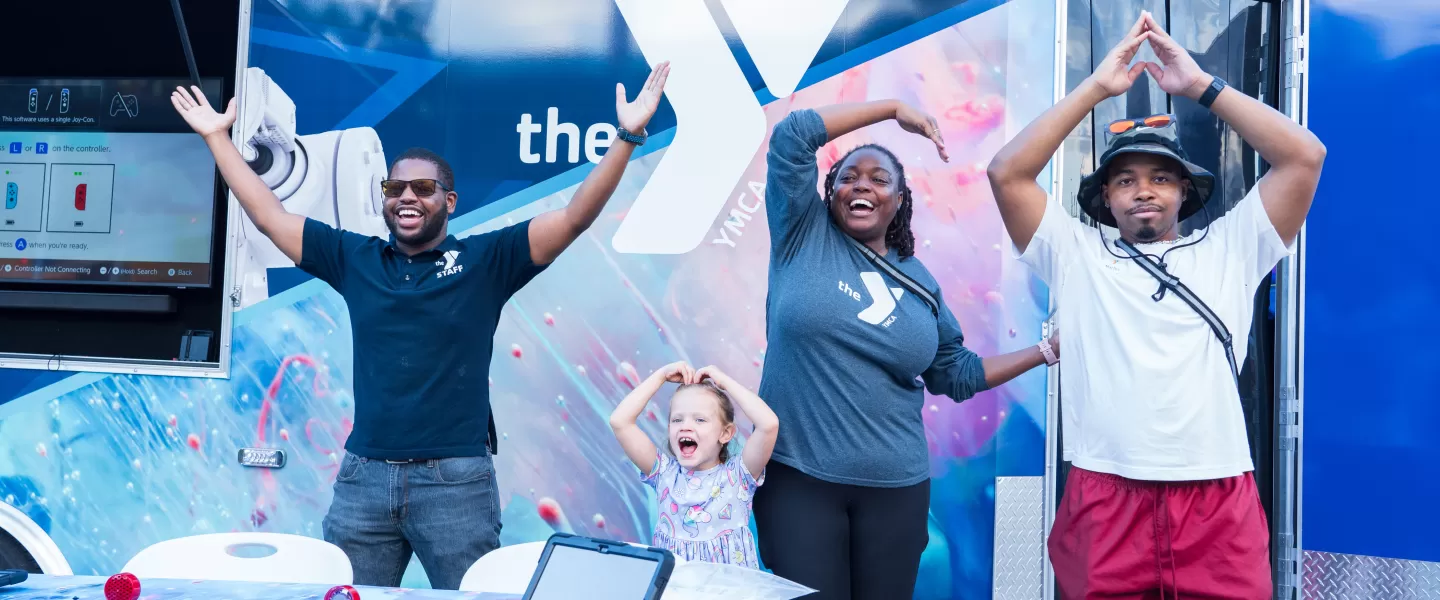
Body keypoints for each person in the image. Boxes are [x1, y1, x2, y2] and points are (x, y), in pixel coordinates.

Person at [169, 62, 672, 589]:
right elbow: (269, 214)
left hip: (455, 483)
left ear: (449, 203)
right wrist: (216, 138)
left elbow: (573, 219)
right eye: (395, 187)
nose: (407, 196)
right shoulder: (354, 257)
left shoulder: (488, 260)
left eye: (424, 188)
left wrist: (627, 135)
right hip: (363, 480)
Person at [986, 12, 1325, 600]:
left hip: (1217, 496)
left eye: (1161, 178)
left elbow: (1304, 156)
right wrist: (1096, 87)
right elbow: (1006, 172)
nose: (1143, 189)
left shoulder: (1231, 248)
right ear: (1104, 201)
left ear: (1184, 193)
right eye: (1124, 180)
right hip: (1104, 496)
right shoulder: (1076, 253)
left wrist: (1200, 87)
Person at [751, 98, 1061, 598]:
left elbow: (955, 373)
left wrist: (1045, 351)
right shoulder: (800, 235)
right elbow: (792, 136)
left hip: (896, 490)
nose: (862, 186)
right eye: (850, 177)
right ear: (829, 193)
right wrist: (893, 110)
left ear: (899, 201)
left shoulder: (920, 285)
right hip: (798, 479)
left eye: (879, 180)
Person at [609, 362, 779, 568]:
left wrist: (725, 382)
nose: (686, 426)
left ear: (725, 433)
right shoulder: (664, 474)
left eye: (699, 420)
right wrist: (660, 376)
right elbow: (620, 421)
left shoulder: (738, 476)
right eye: (678, 420)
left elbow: (768, 425)